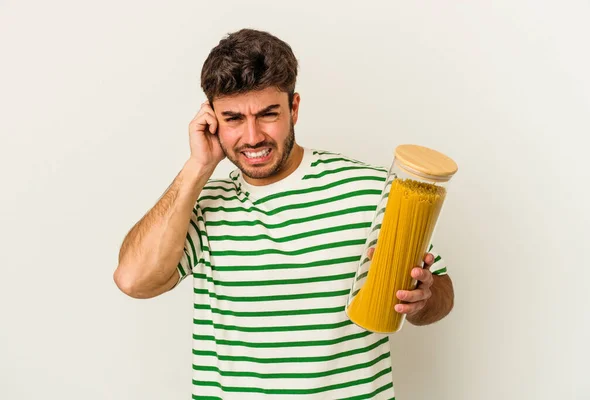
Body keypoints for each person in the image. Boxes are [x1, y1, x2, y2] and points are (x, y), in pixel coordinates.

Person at [114, 28, 454, 399]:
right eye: (233, 119)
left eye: (267, 114)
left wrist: (424, 297)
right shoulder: (200, 205)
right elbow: (134, 280)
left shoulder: (373, 190)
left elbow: (440, 294)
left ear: (293, 108)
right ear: (211, 120)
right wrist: (198, 166)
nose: (253, 136)